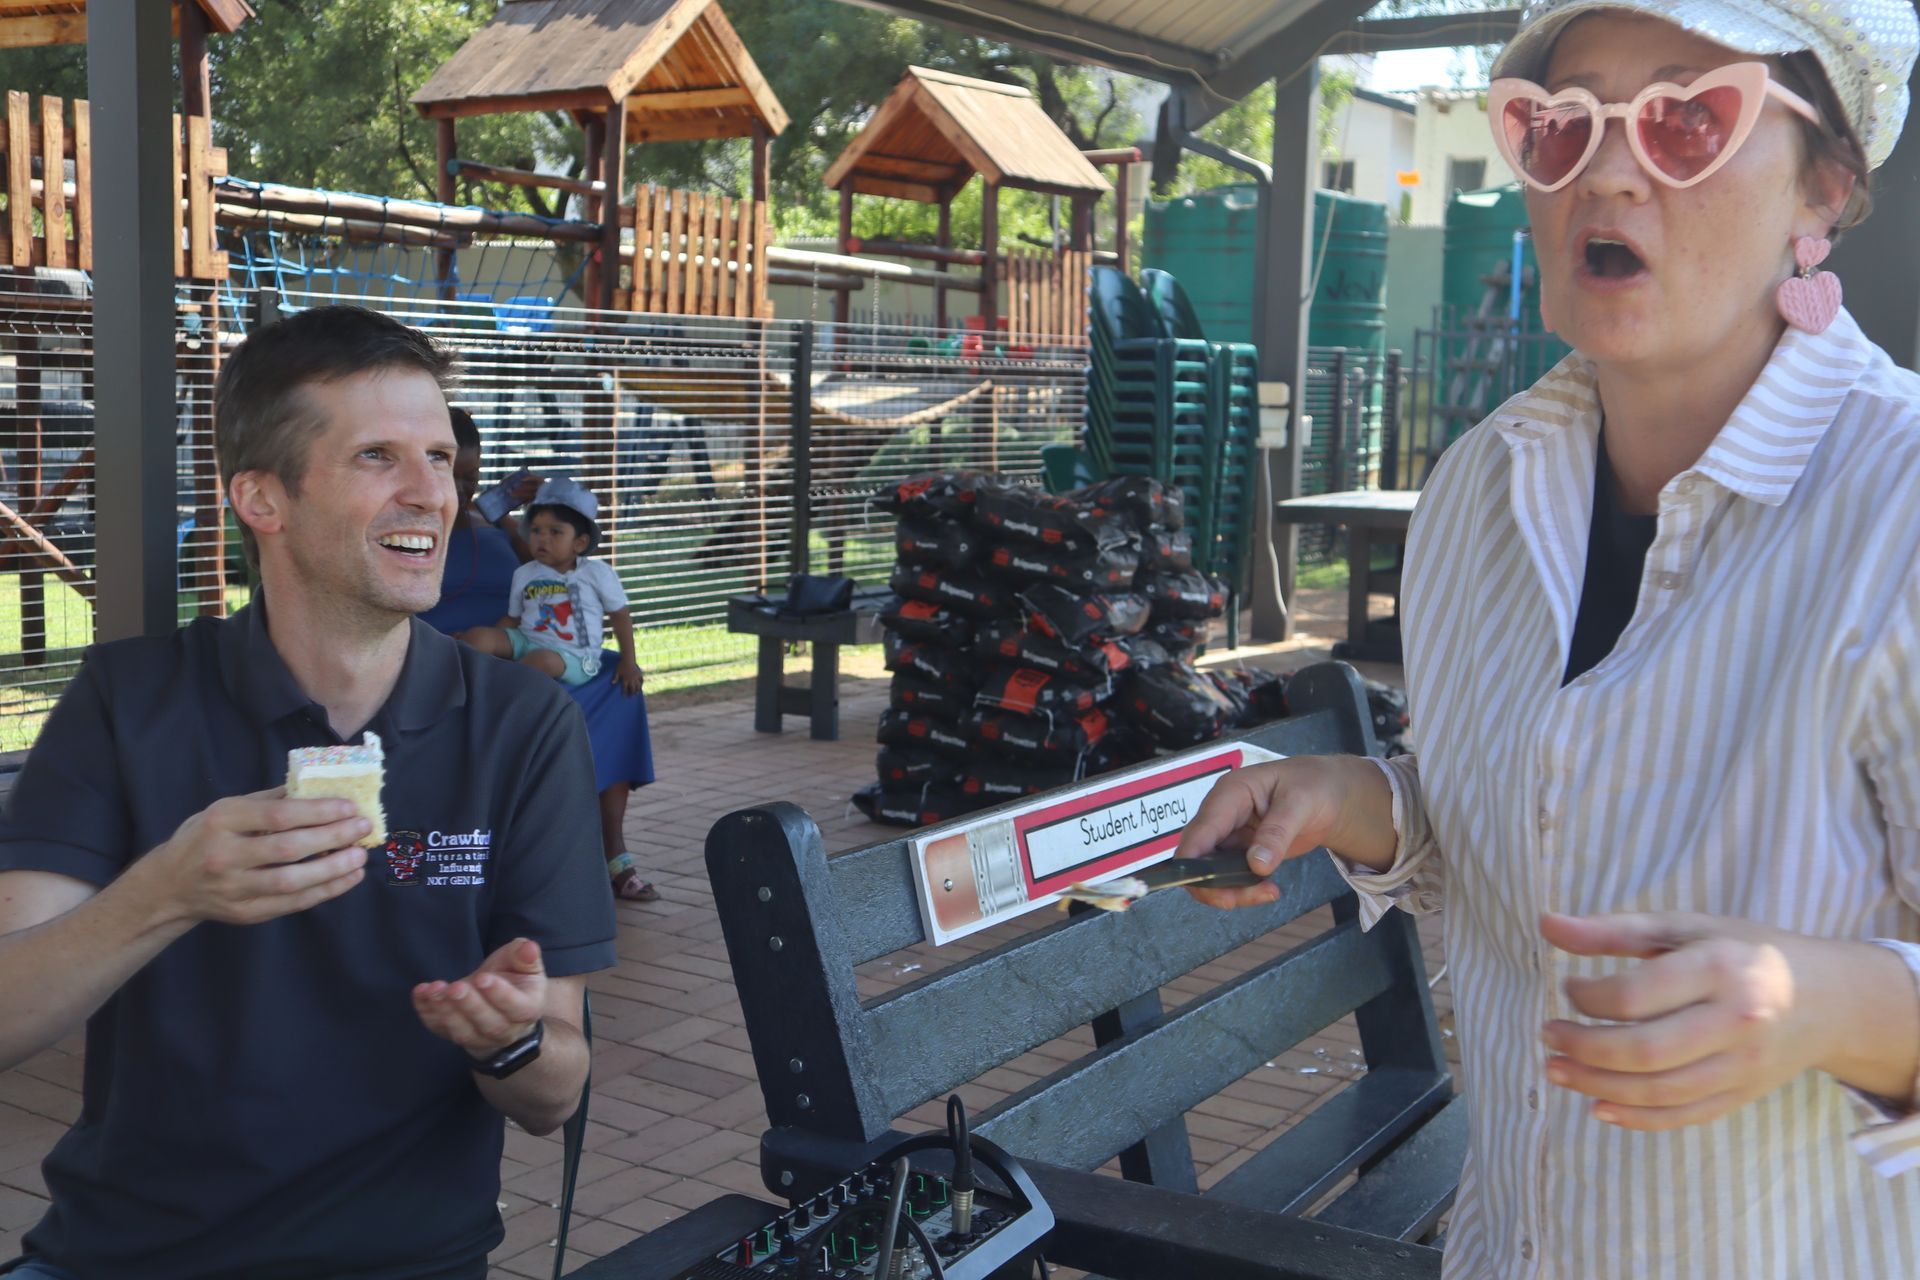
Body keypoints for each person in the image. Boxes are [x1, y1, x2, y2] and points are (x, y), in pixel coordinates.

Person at [1179, 2, 1920, 1276]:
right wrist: (1356, 798)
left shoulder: (1898, 504)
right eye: (1559, 124)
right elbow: (1518, 811)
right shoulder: (1477, 489)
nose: (1610, 168)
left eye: (1690, 115)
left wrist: (1830, 1005)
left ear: (1828, 188)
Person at [0, 305, 617, 1279]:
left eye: (442, 455)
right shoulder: (131, 699)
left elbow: (556, 1091)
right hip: (131, 1254)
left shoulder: (521, 726)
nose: (436, 492)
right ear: (262, 498)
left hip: (406, 1260)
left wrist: (508, 1041)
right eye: (379, 456)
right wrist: (164, 892)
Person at [448, 473, 658, 902]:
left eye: (467, 471)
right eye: (448, 468)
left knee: (621, 692)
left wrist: (511, 508)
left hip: (560, 659)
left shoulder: (495, 519)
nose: (460, 483)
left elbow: (614, 612)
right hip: (512, 648)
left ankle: (613, 850)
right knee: (478, 645)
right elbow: (511, 617)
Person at [416, 406, 537, 635]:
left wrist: (543, 511)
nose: (460, 489)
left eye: (470, 476)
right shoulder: (406, 529)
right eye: (449, 475)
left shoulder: (492, 519)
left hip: (511, 656)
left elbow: (556, 568)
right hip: (440, 659)